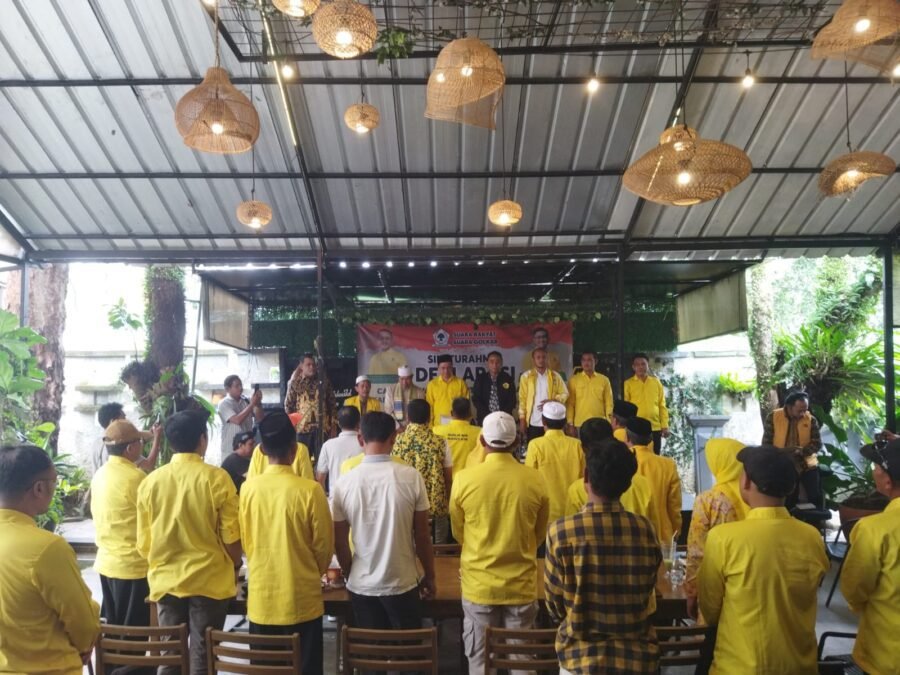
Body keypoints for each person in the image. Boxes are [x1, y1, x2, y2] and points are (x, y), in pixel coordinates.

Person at [698, 445, 828, 675]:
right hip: (799, 666)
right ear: (791, 487)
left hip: (739, 667)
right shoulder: (812, 537)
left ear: (746, 482)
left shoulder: (723, 538)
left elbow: (709, 610)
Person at [136, 410, 242, 674]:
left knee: (170, 656)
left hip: (166, 581)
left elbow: (144, 545)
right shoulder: (217, 479)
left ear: (170, 441)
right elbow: (231, 537)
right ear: (202, 439)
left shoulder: (150, 482)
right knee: (203, 658)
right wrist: (235, 564)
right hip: (209, 582)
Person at [545, 439, 662, 674]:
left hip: (579, 659)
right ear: (628, 483)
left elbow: (554, 604)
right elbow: (647, 591)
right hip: (636, 659)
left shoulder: (561, 532)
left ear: (586, 476)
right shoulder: (645, 530)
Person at [449, 411, 550, 675]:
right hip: (521, 584)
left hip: (479, 585)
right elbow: (539, 534)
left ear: (482, 441)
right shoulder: (536, 479)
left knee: (480, 663)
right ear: (516, 442)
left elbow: (459, 532)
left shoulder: (464, 479)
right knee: (522, 663)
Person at [239, 411, 333, 675]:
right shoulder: (311, 491)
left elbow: (246, 541)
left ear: (261, 450)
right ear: (295, 449)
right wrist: (309, 571)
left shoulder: (248, 490)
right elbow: (324, 548)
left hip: (262, 600)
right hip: (302, 599)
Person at [331, 411, 436, 630]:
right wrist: (430, 575)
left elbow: (339, 542)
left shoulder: (344, 483)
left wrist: (350, 574)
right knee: (408, 646)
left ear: (361, 439)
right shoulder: (411, 477)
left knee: (370, 648)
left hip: (362, 585)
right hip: (403, 582)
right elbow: (422, 536)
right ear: (394, 438)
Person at [0, 445, 101, 672]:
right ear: (39, 488)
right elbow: (84, 624)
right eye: (54, 482)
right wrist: (85, 644)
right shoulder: (47, 548)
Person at [91, 420, 162, 628]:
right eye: (140, 441)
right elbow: (154, 521)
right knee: (133, 633)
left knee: (114, 628)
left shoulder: (99, 475)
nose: (142, 445)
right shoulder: (136, 478)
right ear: (130, 449)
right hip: (132, 566)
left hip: (106, 563)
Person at [840, 440, 900, 675]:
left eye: (876, 467)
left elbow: (854, 588)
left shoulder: (875, 529)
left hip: (887, 653)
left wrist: (857, 606)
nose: (874, 472)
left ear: (888, 481)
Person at [684, 438, 750, 620]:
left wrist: (692, 591)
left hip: (714, 588)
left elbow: (697, 552)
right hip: (748, 587)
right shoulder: (753, 495)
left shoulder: (708, 500)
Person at [564, 419, 658, 537]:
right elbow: (654, 529)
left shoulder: (576, 490)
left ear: (583, 448)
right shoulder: (643, 484)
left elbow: (569, 532)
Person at [392, 399, 453, 543]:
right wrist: (447, 502)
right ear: (429, 417)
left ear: (408, 417)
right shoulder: (441, 442)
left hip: (405, 503)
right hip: (435, 505)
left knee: (407, 544)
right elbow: (448, 478)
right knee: (438, 546)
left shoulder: (397, 441)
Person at [524, 401, 584, 525]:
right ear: (565, 422)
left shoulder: (535, 445)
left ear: (543, 421)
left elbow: (529, 481)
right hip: (574, 511)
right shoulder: (577, 445)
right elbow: (584, 478)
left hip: (546, 514)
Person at [625, 417, 681, 544]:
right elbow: (674, 504)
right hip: (662, 535)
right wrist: (676, 529)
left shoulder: (620, 462)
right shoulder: (668, 465)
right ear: (651, 439)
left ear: (627, 438)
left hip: (630, 535)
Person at [761, 391, 823, 507]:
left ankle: (817, 517)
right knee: (787, 497)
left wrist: (802, 452)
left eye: (805, 410)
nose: (803, 413)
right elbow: (766, 444)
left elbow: (817, 443)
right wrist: (778, 455)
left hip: (806, 463)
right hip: (781, 463)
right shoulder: (773, 417)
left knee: (815, 496)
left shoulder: (811, 420)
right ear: (789, 407)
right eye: (800, 410)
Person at [284, 353, 337, 458]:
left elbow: (332, 405)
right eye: (308, 365)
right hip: (303, 430)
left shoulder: (324, 382)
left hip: (322, 429)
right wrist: (294, 426)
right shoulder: (295, 383)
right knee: (302, 460)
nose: (312, 367)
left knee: (322, 461)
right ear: (301, 366)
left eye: (313, 364)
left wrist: (333, 426)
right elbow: (288, 406)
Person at [518, 347, 568, 444]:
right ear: (533, 360)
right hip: (533, 421)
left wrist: (553, 400)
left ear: (547, 358)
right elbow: (522, 399)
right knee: (534, 447)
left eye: (544, 357)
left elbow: (565, 393)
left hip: (552, 421)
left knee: (551, 447)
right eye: (538, 357)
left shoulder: (555, 376)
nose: (541, 360)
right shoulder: (526, 376)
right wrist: (522, 419)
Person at [94, 402, 161, 473]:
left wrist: (152, 433)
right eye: (124, 418)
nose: (127, 421)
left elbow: (139, 435)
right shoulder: (120, 445)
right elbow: (149, 465)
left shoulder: (97, 444)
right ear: (113, 422)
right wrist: (157, 438)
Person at [624, 354, 669, 455]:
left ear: (648, 365)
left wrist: (665, 425)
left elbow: (662, 405)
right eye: (637, 364)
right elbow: (626, 408)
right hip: (637, 428)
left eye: (643, 364)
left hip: (655, 427)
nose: (640, 367)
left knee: (655, 455)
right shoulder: (628, 384)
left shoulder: (656, 382)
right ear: (633, 367)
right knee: (637, 456)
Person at [316, 406, 362, 495]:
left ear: (338, 423)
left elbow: (320, 478)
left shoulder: (328, 445)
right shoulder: (366, 445)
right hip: (361, 499)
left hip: (336, 500)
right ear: (359, 423)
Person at [566, 352, 613, 435]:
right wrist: (570, 424)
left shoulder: (604, 380)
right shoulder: (574, 380)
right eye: (584, 360)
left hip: (599, 424)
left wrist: (609, 422)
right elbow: (570, 404)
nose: (586, 363)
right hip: (580, 424)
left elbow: (609, 403)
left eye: (589, 360)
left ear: (596, 361)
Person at [217, 375, 263, 460]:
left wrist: (258, 403)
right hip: (230, 450)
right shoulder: (224, 404)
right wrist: (252, 404)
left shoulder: (247, 401)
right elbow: (237, 420)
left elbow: (259, 418)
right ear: (228, 389)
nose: (241, 388)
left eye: (241, 385)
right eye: (237, 386)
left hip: (248, 449)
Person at [433, 396, 481, 475]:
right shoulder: (479, 432)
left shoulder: (436, 431)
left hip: (444, 478)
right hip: (468, 478)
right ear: (470, 414)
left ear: (451, 413)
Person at [471, 351, 516, 424]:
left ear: (501, 363)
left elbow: (512, 400)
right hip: (484, 419)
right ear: (487, 363)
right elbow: (476, 399)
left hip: (504, 419)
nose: (495, 365)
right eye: (492, 362)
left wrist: (501, 415)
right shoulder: (480, 379)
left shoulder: (508, 379)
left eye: (497, 362)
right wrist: (488, 416)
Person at [425, 354, 469, 427]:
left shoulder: (460, 383)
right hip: (438, 426)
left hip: (457, 425)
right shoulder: (432, 384)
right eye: (443, 368)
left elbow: (466, 406)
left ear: (452, 367)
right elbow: (429, 406)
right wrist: (430, 426)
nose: (446, 371)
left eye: (449, 368)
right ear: (438, 368)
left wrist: (465, 422)